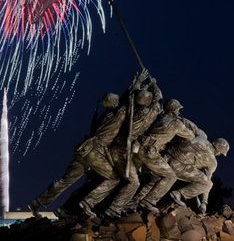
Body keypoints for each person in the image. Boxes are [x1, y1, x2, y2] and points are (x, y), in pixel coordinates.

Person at [28, 73, 147, 219]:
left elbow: (123, 101)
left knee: (65, 180)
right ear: (115, 103)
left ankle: (37, 203)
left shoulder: (103, 115)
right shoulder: (118, 115)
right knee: (114, 178)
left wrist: (135, 84)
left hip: (83, 149)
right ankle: (87, 203)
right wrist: (137, 84)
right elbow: (128, 101)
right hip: (94, 152)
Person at [104, 76, 163, 218]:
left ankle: (118, 206)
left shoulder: (129, 111)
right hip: (125, 150)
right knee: (134, 182)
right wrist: (153, 84)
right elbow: (159, 96)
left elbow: (129, 97)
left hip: (115, 147)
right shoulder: (151, 112)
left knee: (122, 178)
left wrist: (137, 84)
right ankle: (113, 209)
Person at [135, 99, 196, 214]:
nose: (179, 112)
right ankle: (148, 202)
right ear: (174, 110)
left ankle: (134, 203)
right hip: (150, 151)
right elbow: (190, 136)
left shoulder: (159, 117)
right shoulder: (176, 123)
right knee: (170, 176)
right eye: (178, 109)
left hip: (139, 147)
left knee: (155, 177)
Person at [168, 137, 229, 214]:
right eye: (220, 153)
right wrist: (204, 202)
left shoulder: (202, 139)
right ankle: (178, 194)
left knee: (197, 175)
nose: (219, 154)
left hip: (169, 155)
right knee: (208, 184)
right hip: (179, 166)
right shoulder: (212, 161)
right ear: (218, 150)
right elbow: (206, 181)